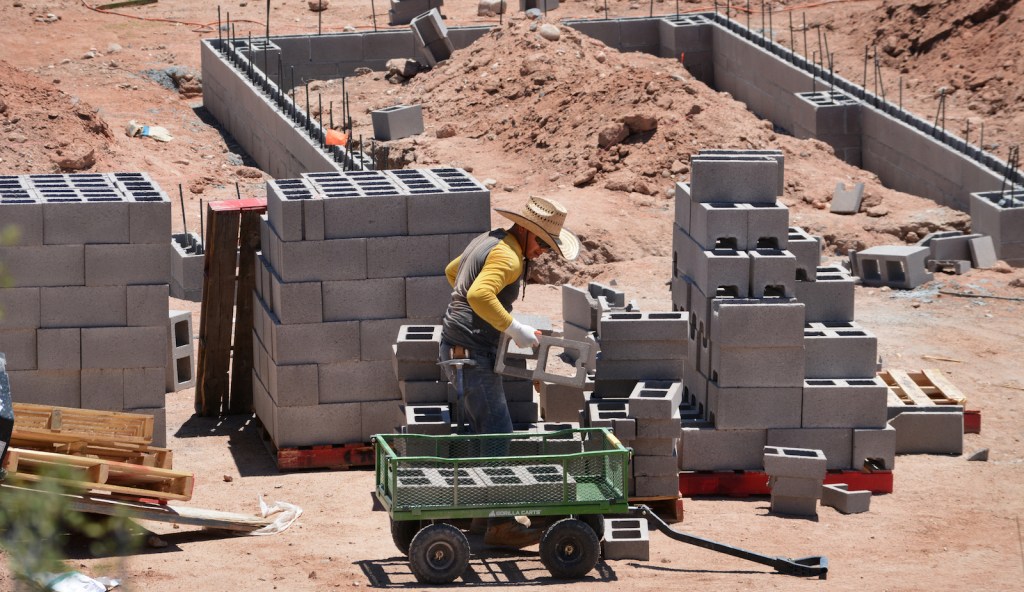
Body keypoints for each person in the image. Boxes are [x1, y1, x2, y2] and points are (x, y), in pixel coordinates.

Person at [439, 196, 580, 548]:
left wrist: (475, 318)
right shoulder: (508, 256)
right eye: (544, 245)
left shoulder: (488, 240)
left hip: (457, 347)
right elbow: (479, 295)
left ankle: (479, 517)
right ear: (529, 232)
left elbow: (453, 272)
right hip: (472, 352)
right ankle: (500, 524)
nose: (544, 253)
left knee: (485, 433)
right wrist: (515, 329)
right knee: (499, 431)